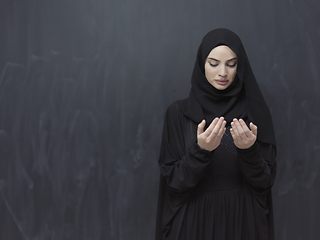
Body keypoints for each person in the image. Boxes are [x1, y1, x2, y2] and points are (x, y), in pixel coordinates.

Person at [155, 28, 277, 240]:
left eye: (231, 64)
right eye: (214, 63)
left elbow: (265, 182)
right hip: (193, 220)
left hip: (242, 220)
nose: (223, 72)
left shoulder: (254, 114)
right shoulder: (178, 114)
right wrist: (201, 152)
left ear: (240, 67)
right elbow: (173, 183)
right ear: (202, 64)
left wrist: (249, 151)